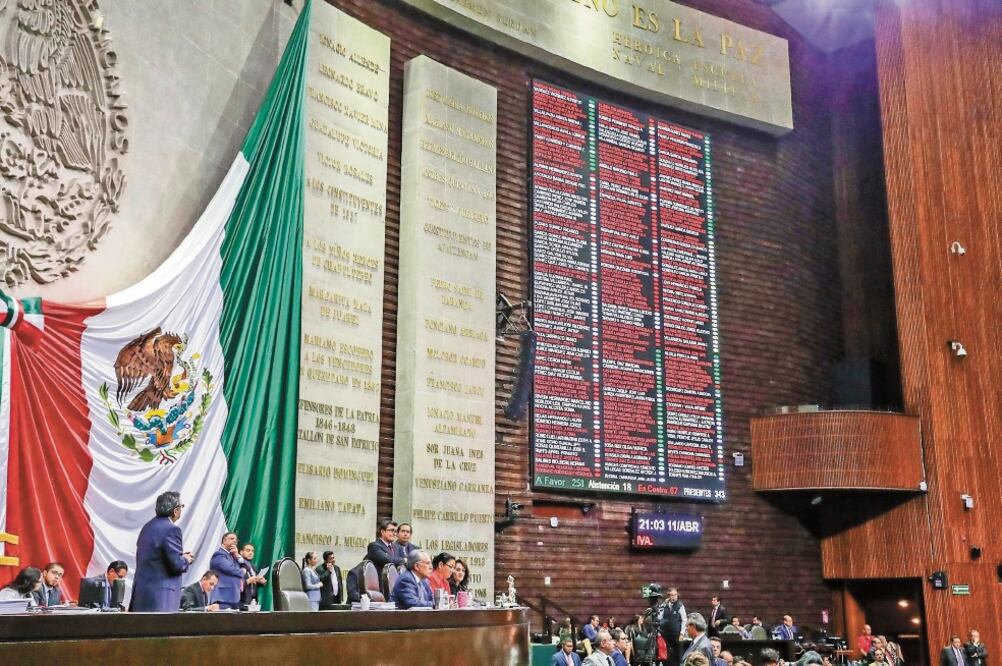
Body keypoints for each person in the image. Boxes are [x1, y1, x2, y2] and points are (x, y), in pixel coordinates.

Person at [131, 490, 193, 612]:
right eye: (181, 507)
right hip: (162, 598)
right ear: (175, 510)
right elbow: (176, 564)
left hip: (141, 595)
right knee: (163, 630)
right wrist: (186, 559)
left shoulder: (147, 527)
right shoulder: (172, 530)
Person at [209, 532, 246, 610]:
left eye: (236, 540)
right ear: (224, 541)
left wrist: (238, 556)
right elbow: (231, 569)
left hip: (233, 597)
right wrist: (242, 571)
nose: (235, 541)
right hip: (223, 597)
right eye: (232, 538)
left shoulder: (233, 556)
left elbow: (247, 567)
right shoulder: (218, 555)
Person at [661, 588, 687, 666]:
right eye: (672, 595)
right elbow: (659, 617)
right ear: (668, 596)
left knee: (678, 655)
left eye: (675, 595)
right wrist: (662, 605)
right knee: (667, 656)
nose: (674, 597)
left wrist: (682, 633)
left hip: (677, 634)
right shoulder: (665, 605)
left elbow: (684, 620)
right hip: (666, 634)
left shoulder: (680, 606)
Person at [238, 543, 266, 607]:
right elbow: (236, 586)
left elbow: (254, 583)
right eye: (248, 550)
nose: (250, 553)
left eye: (252, 551)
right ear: (241, 552)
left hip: (253, 602)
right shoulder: (237, 566)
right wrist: (249, 580)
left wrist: (261, 581)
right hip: (241, 603)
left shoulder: (254, 567)